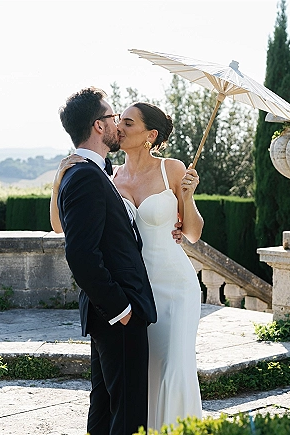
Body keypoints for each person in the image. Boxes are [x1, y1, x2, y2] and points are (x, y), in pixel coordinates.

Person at [51, 101, 204, 431]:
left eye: (128, 123)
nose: (119, 126)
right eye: (117, 119)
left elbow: (191, 233)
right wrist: (59, 177)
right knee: (139, 377)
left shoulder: (173, 170)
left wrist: (187, 199)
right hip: (133, 288)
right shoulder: (109, 173)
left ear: (150, 135)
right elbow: (63, 227)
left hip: (174, 285)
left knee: (175, 368)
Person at [55, 87, 157, 435]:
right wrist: (121, 309)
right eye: (114, 118)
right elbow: (81, 254)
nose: (118, 126)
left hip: (109, 315)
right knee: (128, 414)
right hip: (116, 314)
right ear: (99, 126)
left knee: (104, 408)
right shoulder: (84, 176)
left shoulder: (94, 170)